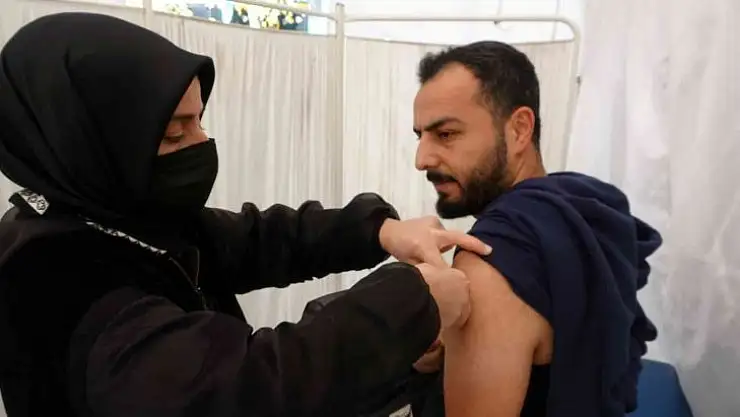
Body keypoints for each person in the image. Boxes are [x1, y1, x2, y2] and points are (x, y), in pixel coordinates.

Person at [0, 13, 490, 417]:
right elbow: (250, 386)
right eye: (174, 134)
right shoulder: (53, 279)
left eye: (199, 120)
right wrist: (412, 300)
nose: (203, 143)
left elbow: (258, 238)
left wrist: (379, 230)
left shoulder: (125, 214)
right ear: (91, 141)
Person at [412, 41, 663, 417]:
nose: (422, 159)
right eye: (420, 136)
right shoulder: (581, 207)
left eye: (445, 134)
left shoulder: (487, 263)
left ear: (519, 129)